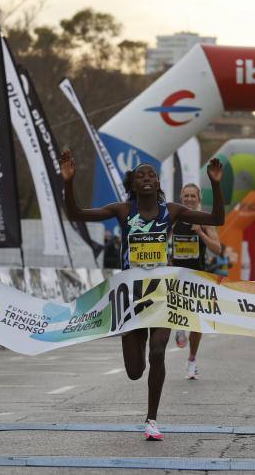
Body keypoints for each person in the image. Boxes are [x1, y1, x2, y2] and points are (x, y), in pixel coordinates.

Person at [59, 149, 224, 441]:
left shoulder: (170, 211)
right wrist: (68, 182)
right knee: (135, 370)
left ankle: (151, 420)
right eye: (141, 176)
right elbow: (75, 214)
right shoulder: (123, 211)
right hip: (131, 296)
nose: (147, 178)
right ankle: (129, 337)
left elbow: (217, 218)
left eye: (151, 175)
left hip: (161, 292)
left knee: (158, 351)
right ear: (133, 184)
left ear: (158, 183)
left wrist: (216, 184)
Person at [170, 183, 222, 380]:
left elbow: (218, 249)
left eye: (193, 196)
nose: (189, 199)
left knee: (198, 323)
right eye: (186, 196)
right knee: (183, 314)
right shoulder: (174, 219)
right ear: (181, 198)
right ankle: (180, 326)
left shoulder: (205, 221)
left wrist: (200, 232)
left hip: (199, 275)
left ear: (198, 199)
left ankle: (192, 359)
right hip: (177, 275)